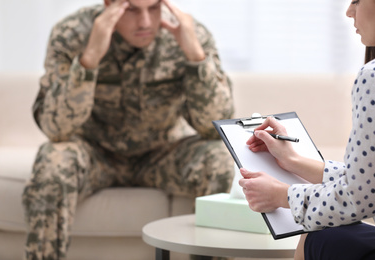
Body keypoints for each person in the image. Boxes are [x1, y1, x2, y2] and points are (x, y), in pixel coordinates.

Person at [22, 0, 235, 259]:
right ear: (110, 4)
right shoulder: (72, 33)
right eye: (132, 9)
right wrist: (89, 60)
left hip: (162, 154)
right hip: (95, 155)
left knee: (220, 158)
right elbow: (57, 130)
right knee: (52, 159)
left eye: (154, 7)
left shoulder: (189, 34)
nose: (145, 22)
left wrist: (195, 57)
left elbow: (215, 128)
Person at [239, 0, 375, 259]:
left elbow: (359, 198)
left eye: (356, 1)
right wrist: (293, 160)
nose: (349, 11)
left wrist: (281, 195)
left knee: (316, 234)